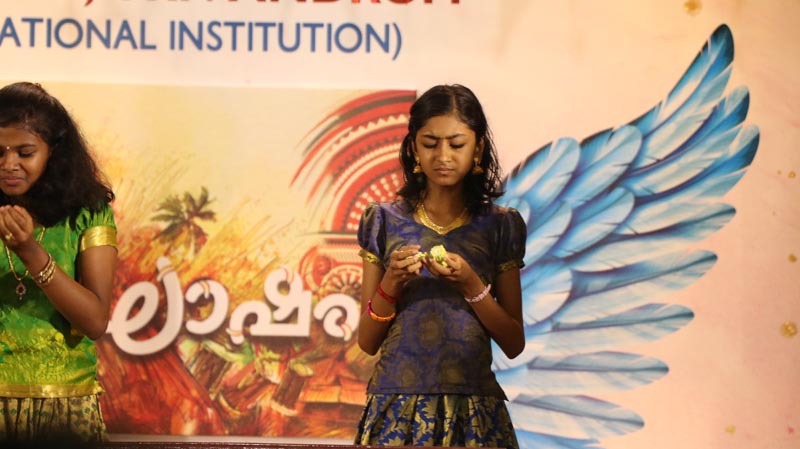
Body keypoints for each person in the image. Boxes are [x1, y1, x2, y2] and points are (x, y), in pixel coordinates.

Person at [354, 84, 526, 449]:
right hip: (396, 410)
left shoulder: (499, 225)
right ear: (413, 148)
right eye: (430, 143)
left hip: (473, 413)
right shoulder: (383, 221)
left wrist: (472, 286)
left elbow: (514, 343)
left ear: (477, 148)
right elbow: (367, 341)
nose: (443, 156)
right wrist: (391, 282)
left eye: (457, 144)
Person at [0, 82, 117, 442]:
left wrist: (30, 252)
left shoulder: (88, 213)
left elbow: (94, 321)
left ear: (53, 152)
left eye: (25, 152)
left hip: (65, 408)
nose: (9, 165)